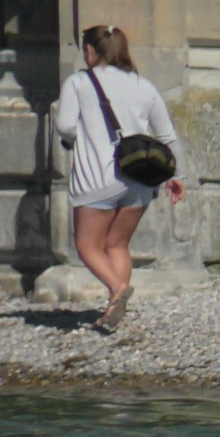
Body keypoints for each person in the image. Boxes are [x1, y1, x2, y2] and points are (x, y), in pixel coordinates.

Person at [56, 25, 185, 331]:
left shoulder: (78, 83)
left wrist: (80, 136)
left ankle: (117, 289)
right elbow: (167, 136)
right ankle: (115, 309)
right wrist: (177, 176)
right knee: (117, 246)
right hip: (139, 179)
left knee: (88, 246)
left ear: (89, 51)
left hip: (97, 176)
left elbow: (64, 126)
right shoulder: (144, 86)